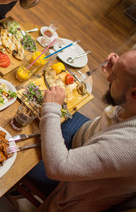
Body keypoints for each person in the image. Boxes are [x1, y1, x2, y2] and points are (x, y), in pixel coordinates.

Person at [28, 51, 136, 211]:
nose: (108, 79)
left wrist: (51, 109)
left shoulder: (129, 145)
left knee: (17, 156)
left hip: (67, 180)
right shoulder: (132, 103)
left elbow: (58, 167)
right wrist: (121, 69)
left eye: (114, 77)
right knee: (33, 115)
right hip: (85, 137)